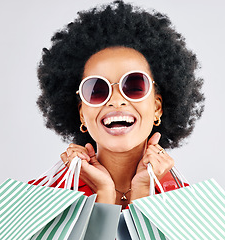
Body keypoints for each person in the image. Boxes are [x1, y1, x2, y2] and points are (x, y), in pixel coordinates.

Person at [32, 0, 204, 210]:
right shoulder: (41, 201)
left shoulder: (191, 209)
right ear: (82, 114)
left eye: (134, 85)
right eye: (96, 90)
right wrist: (103, 195)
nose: (116, 100)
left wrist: (143, 193)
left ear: (157, 107)